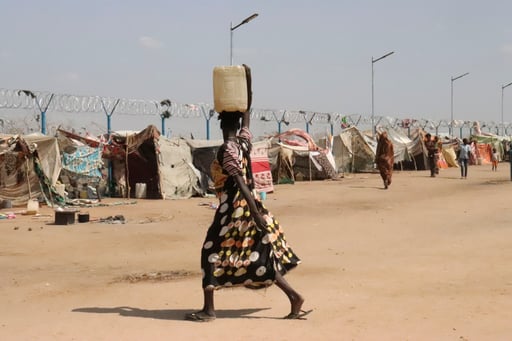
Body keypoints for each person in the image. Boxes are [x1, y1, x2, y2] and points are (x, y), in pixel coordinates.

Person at [185, 110, 310, 322]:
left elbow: (239, 180)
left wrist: (253, 212)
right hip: (247, 205)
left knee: (210, 253)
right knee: (258, 255)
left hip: (234, 209)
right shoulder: (243, 144)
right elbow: (247, 127)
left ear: (222, 127)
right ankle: (294, 296)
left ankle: (209, 310)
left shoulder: (227, 149)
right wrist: (246, 101)